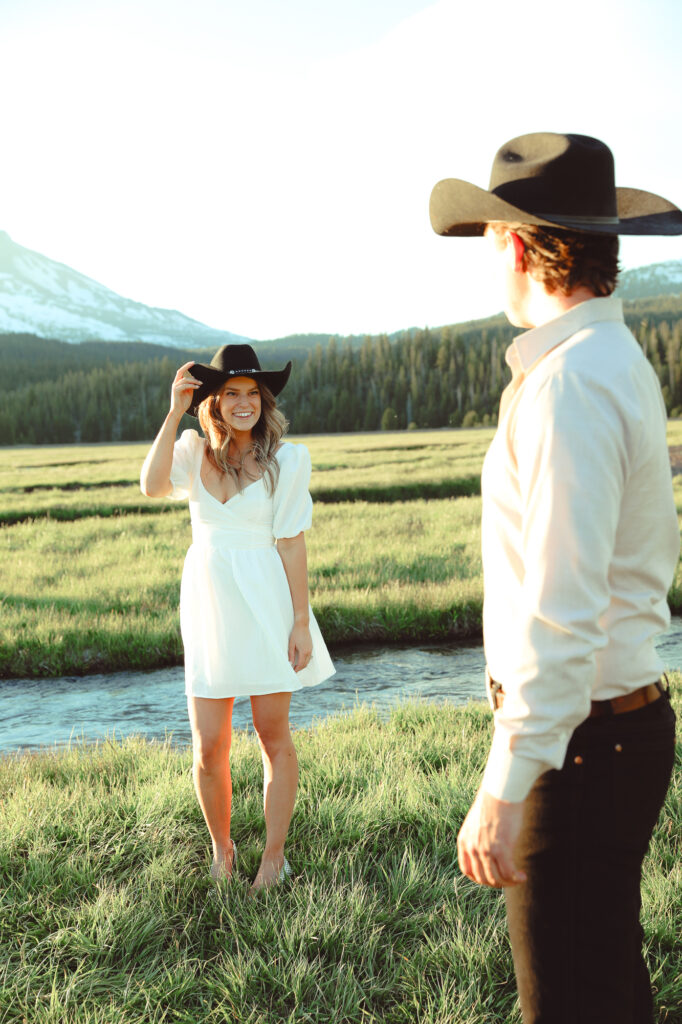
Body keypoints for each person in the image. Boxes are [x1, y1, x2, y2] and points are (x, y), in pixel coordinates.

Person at [429, 134, 682, 1022]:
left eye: (493, 237)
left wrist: (504, 787)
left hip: (580, 749)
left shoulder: (572, 384)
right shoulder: (603, 361)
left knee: (568, 1002)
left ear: (520, 244)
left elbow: (562, 613)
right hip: (607, 736)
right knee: (606, 985)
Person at [140, 343, 335, 890]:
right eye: (232, 393)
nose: (244, 403)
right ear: (214, 401)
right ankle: (221, 850)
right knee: (209, 746)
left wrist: (301, 622)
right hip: (210, 605)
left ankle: (273, 858)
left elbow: (292, 543)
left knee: (273, 735)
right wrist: (174, 410)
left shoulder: (285, 461)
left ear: (264, 400)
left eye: (253, 393)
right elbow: (151, 486)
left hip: (268, 603)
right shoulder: (191, 451)